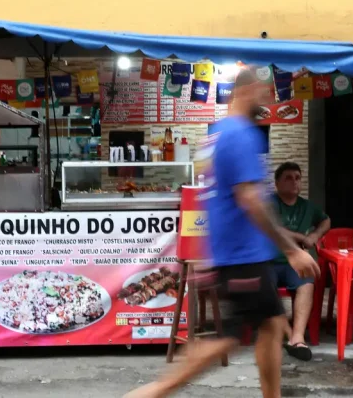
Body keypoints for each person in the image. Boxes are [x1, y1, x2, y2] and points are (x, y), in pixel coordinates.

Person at [123, 67, 320, 398]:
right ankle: (155, 391)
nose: (268, 101)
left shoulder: (215, 137)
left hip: (232, 254)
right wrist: (290, 249)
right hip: (243, 256)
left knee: (269, 326)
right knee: (230, 338)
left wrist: (204, 254)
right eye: (264, 93)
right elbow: (250, 200)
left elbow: (211, 199)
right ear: (246, 91)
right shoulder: (242, 134)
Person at [272, 161, 331, 361]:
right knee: (264, 284)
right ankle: (273, 335)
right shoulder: (269, 203)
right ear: (277, 183)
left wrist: (315, 235)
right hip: (268, 261)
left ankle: (297, 338)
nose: (294, 182)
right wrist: (302, 238)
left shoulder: (308, 206)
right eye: (288, 178)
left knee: (307, 283)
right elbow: (273, 229)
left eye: (297, 178)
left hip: (294, 264)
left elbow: (326, 220)